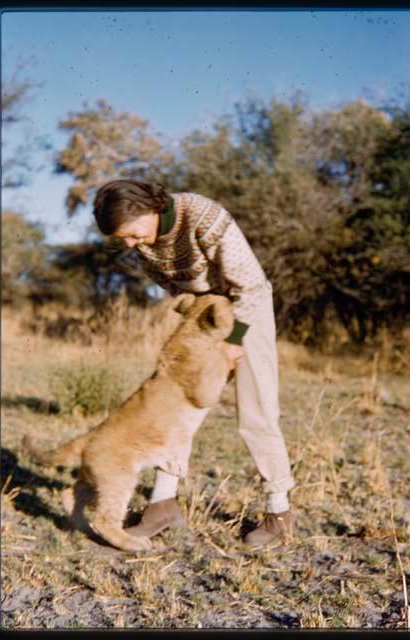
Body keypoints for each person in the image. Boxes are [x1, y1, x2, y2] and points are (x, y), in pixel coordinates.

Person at [92, 179, 295, 547]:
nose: (130, 244)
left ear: (148, 209)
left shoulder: (202, 214)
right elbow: (180, 291)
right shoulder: (145, 243)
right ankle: (163, 504)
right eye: (123, 240)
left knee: (256, 410)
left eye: (132, 234)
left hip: (247, 307)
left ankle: (278, 511)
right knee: (171, 406)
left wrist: (233, 343)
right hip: (203, 314)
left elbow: (249, 285)